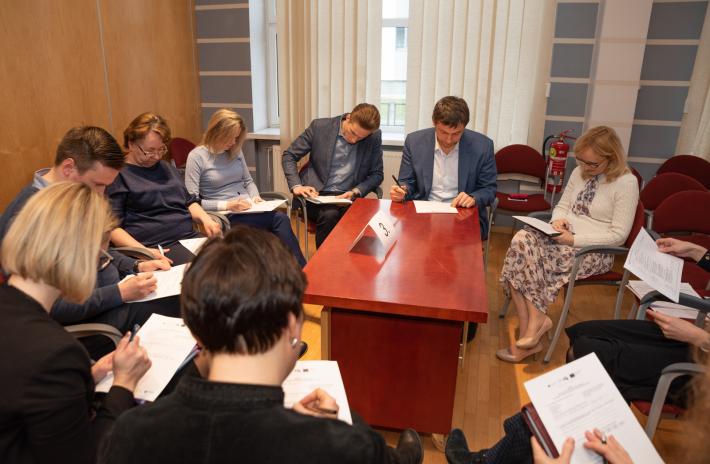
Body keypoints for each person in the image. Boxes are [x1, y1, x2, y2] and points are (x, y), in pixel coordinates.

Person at [103, 226, 423, 464]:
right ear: (292, 324)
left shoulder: (127, 435)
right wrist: (330, 432)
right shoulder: (340, 447)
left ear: (195, 332)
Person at [0, 182, 151, 464]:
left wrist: (88, 376)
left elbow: (21, 392)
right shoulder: (55, 353)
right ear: (81, 256)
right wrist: (124, 384)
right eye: (102, 258)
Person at [0, 126, 176, 351]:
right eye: (98, 184)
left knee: (175, 296)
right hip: (85, 321)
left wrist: (136, 265)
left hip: (110, 297)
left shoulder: (66, 199)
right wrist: (118, 293)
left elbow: (96, 252)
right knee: (172, 310)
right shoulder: (30, 217)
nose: (101, 195)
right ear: (68, 168)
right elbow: (47, 307)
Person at [497, 126, 639, 363]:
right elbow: (562, 206)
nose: (585, 168)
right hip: (562, 238)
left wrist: (573, 240)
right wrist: (558, 220)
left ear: (611, 158)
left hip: (593, 250)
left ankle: (529, 335)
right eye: (581, 161)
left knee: (526, 260)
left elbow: (618, 236)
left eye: (592, 164)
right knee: (521, 242)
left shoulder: (626, 183)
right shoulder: (579, 172)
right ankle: (533, 328)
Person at [565, 237, 709, 406]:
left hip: (701, 371)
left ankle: (598, 414)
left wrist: (697, 336)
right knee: (584, 330)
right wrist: (693, 250)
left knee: (588, 350)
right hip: (698, 341)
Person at [185, 108, 306, 267]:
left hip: (248, 208)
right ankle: (295, 269)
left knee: (279, 219)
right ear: (217, 132)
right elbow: (192, 202)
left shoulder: (235, 150)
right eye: (230, 137)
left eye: (236, 138)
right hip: (226, 215)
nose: (233, 142)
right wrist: (228, 205)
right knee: (272, 226)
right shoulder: (197, 157)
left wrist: (255, 197)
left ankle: (300, 269)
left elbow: (248, 181)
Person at [107, 112, 222, 265]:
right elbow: (112, 229)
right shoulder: (117, 176)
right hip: (156, 248)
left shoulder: (166, 168)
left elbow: (188, 202)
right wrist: (144, 252)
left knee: (236, 259)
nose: (156, 156)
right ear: (131, 144)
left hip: (189, 240)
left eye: (161, 149)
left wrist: (205, 219)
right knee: (214, 268)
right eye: (150, 151)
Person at [390, 96, 497, 239]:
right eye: (444, 132)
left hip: (462, 215)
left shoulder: (483, 146)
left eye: (456, 134)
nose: (448, 140)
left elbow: (489, 189)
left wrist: (473, 197)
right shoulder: (414, 142)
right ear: (434, 123)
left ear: (464, 127)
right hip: (423, 213)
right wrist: (402, 191)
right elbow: (407, 182)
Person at [282, 103, 384, 248]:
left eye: (361, 138)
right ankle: (325, 260)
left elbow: (377, 174)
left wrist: (356, 191)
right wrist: (296, 186)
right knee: (330, 215)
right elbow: (289, 155)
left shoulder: (374, 137)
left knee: (364, 216)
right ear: (348, 118)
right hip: (316, 195)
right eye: (353, 133)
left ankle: (351, 260)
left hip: (348, 197)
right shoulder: (320, 127)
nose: (354, 140)